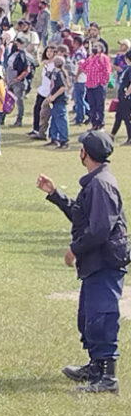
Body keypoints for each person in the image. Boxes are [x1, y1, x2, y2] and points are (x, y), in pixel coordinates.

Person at [37, 130, 129, 393]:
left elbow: (100, 230)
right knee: (89, 316)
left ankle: (107, 378)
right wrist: (54, 194)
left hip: (105, 262)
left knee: (101, 316)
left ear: (85, 153)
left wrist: (74, 250)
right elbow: (81, 215)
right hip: (95, 262)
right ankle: (95, 366)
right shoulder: (95, 181)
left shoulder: (102, 185)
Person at [80, 43, 110, 131]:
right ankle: (94, 123)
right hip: (89, 85)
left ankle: (100, 122)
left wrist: (103, 82)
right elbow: (84, 67)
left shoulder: (103, 57)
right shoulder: (90, 58)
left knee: (99, 105)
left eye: (97, 47)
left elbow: (107, 70)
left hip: (98, 85)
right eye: (94, 47)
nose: (95, 48)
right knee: (92, 105)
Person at [6, 35, 30, 127]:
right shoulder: (13, 53)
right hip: (10, 79)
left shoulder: (24, 55)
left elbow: (26, 69)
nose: (18, 44)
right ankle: (2, 117)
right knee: (8, 98)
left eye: (20, 43)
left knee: (18, 101)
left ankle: (19, 120)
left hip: (17, 81)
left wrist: (19, 78)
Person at [46, 55, 70, 149]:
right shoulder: (54, 72)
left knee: (60, 119)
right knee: (54, 119)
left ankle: (64, 140)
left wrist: (53, 96)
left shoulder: (59, 73)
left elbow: (62, 87)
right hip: (55, 100)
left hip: (59, 100)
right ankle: (53, 137)